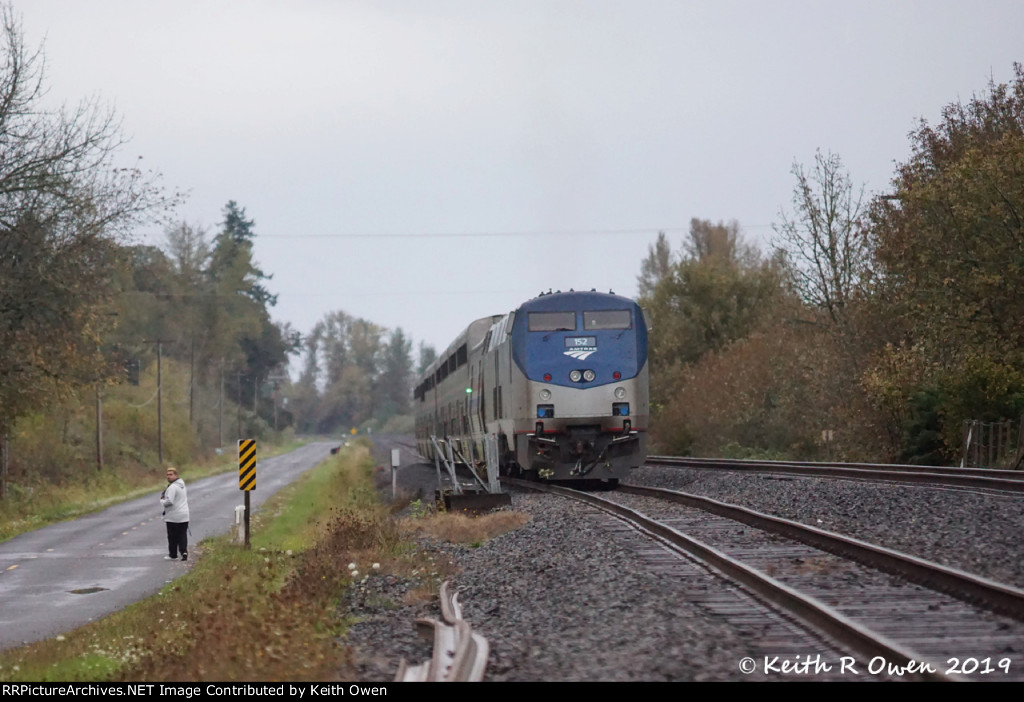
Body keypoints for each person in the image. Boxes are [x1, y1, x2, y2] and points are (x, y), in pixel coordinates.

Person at [160, 466, 190, 561]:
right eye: (167, 475)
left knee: (172, 536)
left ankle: (173, 554)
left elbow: (170, 501)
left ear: (176, 475)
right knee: (182, 534)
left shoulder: (172, 487)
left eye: (171, 474)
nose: (168, 477)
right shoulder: (182, 485)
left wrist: (162, 501)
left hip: (174, 515)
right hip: (184, 514)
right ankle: (184, 552)